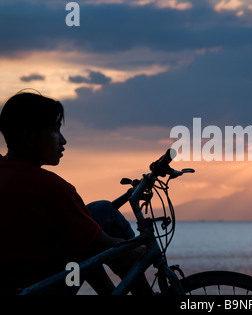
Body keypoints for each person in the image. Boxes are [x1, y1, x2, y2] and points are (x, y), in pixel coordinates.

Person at [0, 91, 150, 295]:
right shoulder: (49, 186)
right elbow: (103, 245)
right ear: (29, 138)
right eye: (55, 130)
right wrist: (138, 249)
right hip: (39, 289)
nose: (63, 140)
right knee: (103, 220)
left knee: (95, 220)